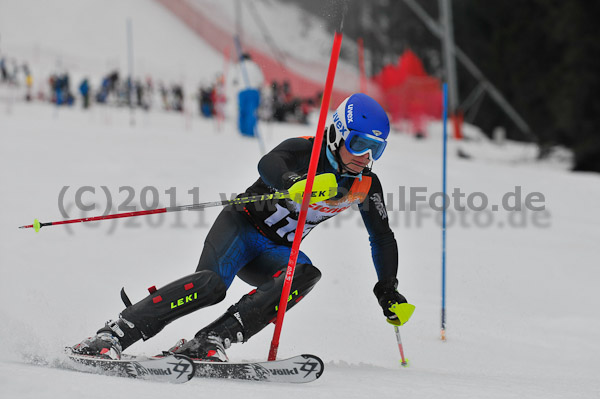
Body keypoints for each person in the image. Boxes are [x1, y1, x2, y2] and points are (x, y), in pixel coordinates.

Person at [70, 93, 410, 361]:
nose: (365, 157)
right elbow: (269, 163)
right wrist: (293, 181)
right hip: (241, 227)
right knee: (211, 286)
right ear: (337, 133)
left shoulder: (366, 185)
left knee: (305, 274)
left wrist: (387, 288)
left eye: (375, 148)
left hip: (276, 252)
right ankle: (115, 332)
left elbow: (381, 237)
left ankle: (211, 340)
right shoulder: (306, 151)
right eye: (359, 144)